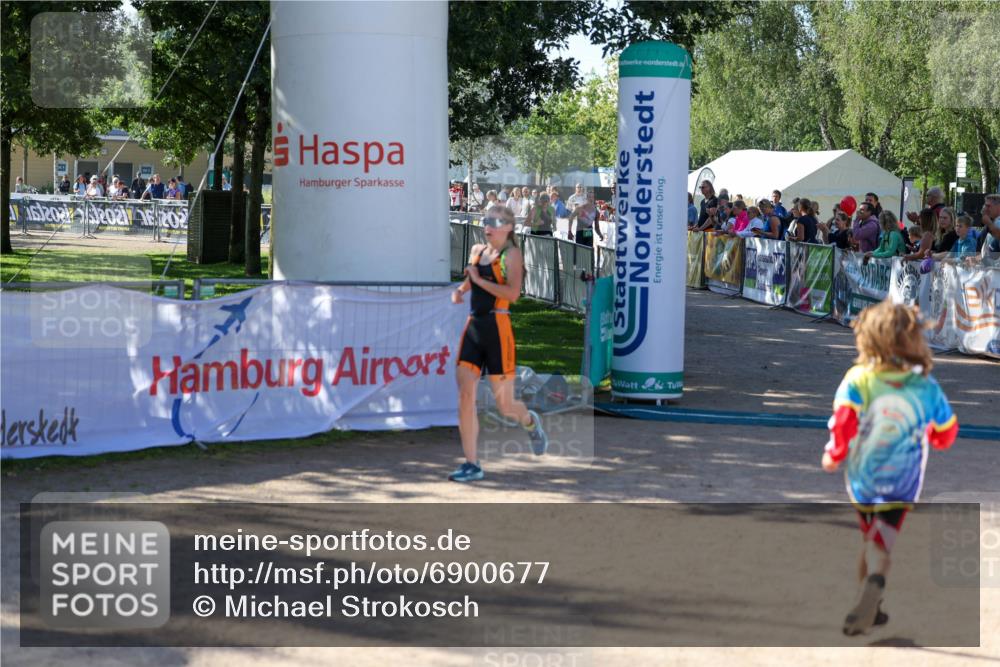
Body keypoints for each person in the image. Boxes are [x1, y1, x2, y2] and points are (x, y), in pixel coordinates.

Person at [822, 300, 957, 636]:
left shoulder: (858, 378)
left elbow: (843, 422)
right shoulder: (925, 386)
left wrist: (834, 454)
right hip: (902, 480)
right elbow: (946, 431)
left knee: (870, 538)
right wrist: (935, 438)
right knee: (881, 544)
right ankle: (873, 591)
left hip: (863, 477)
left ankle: (866, 603)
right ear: (915, 341)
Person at [449, 206, 548, 482]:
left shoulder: (512, 254)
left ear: (508, 228)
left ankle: (530, 422)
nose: (487, 227)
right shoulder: (478, 250)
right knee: (465, 395)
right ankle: (472, 463)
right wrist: (461, 289)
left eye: (494, 222)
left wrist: (479, 280)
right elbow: (472, 279)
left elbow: (513, 294)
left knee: (505, 405)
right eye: (486, 221)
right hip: (474, 326)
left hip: (498, 328)